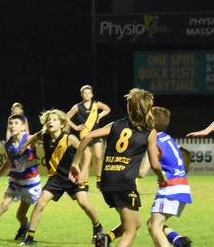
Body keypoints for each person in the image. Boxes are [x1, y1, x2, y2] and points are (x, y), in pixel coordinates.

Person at [71, 88, 166, 247]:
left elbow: (87, 137)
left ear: (130, 107)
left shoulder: (115, 125)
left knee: (135, 223)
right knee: (131, 232)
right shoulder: (149, 133)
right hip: (125, 183)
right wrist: (162, 178)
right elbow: (155, 164)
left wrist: (75, 163)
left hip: (107, 182)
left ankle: (106, 238)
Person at [18, 109, 102, 246]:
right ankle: (29, 238)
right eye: (49, 119)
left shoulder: (70, 138)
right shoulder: (43, 135)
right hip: (56, 178)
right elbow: (33, 137)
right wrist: (23, 148)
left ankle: (97, 225)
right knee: (40, 203)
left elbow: (87, 152)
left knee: (83, 203)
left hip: (74, 177)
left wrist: (83, 172)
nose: (51, 121)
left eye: (55, 120)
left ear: (62, 124)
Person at [0, 114, 40, 244]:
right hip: (15, 181)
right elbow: (8, 162)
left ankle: (26, 229)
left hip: (31, 183)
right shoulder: (8, 145)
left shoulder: (29, 139)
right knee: (4, 205)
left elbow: (41, 136)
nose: (12, 126)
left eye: (16, 123)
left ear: (23, 126)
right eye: (10, 123)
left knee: (20, 215)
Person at [139, 107, 192, 247]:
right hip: (182, 186)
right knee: (152, 223)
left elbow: (142, 172)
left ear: (149, 121)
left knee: (154, 227)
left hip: (170, 188)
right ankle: (178, 240)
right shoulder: (168, 138)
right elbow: (186, 157)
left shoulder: (153, 141)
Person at [66, 85, 111, 189]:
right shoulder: (77, 107)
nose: (87, 95)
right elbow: (66, 117)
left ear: (92, 95)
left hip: (96, 133)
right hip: (84, 134)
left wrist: (100, 116)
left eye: (88, 93)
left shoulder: (96, 104)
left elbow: (107, 109)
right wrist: (76, 127)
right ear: (81, 95)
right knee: (86, 157)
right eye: (84, 93)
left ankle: (99, 178)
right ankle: (84, 180)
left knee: (99, 156)